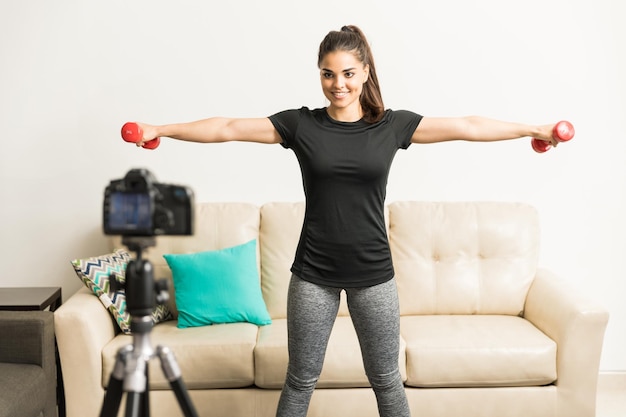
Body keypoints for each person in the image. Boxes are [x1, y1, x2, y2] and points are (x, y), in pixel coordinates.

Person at [130, 25, 560, 417]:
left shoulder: (391, 127)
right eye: (328, 74)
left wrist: (532, 129)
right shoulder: (301, 125)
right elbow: (227, 127)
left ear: (366, 72)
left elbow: (467, 125)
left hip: (374, 275)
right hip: (313, 275)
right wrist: (160, 129)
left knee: (387, 382)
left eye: (349, 74)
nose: (339, 84)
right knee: (300, 381)